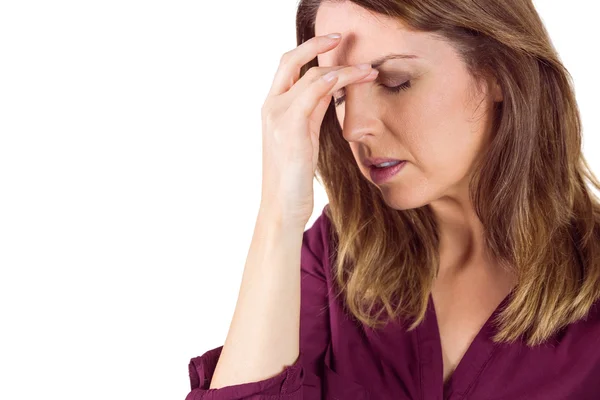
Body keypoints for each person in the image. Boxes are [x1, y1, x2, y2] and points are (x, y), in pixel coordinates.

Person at [185, 1, 600, 399]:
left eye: (395, 81)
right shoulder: (334, 257)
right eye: (341, 94)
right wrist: (278, 212)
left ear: (498, 71)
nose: (353, 128)